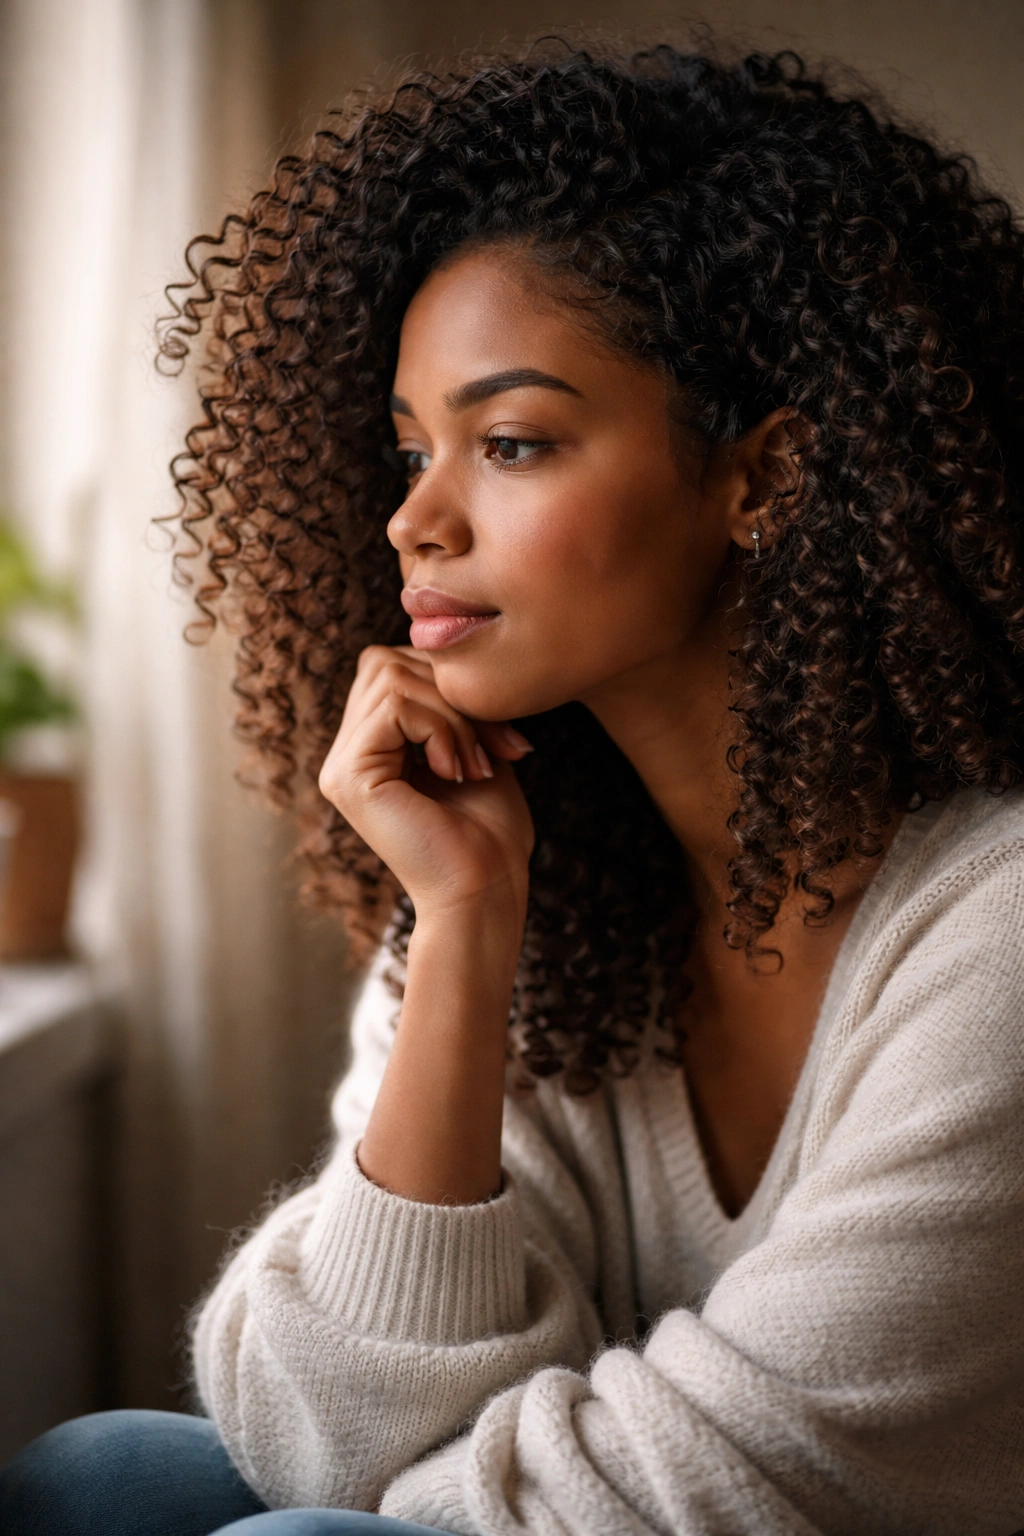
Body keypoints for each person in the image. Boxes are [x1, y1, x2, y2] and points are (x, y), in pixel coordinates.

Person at [3, 37, 1024, 1536]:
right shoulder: (546, 885)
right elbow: (305, 1416)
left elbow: (735, 1485)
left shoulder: (995, 939)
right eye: (412, 448)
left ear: (766, 479)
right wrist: (467, 920)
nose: (415, 518)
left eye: (513, 442)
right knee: (92, 1479)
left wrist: (378, 1487)